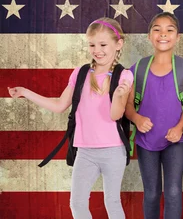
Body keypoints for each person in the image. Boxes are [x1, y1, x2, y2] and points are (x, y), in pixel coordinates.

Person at [8, 18, 132, 219]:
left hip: (113, 151)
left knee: (112, 201)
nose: (97, 50)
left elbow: (115, 115)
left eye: (103, 45)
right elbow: (59, 105)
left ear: (118, 44)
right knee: (77, 203)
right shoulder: (80, 73)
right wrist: (25, 92)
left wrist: (118, 96)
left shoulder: (124, 75)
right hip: (85, 151)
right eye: (92, 44)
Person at [125, 12, 183, 219]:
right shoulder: (138, 69)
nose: (163, 34)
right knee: (152, 193)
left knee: (173, 191)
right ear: (149, 36)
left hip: (175, 139)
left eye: (169, 30)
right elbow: (128, 106)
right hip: (146, 141)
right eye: (157, 29)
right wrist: (137, 119)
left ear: (178, 36)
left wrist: (179, 127)